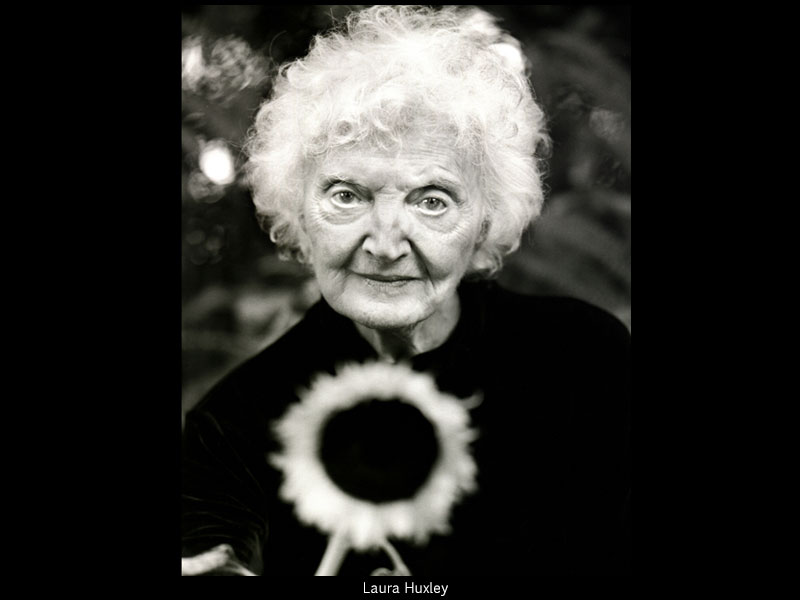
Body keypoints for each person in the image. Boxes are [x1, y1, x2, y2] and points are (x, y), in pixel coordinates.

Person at [182, 5, 630, 576]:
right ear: (296, 212)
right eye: (347, 195)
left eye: (432, 200)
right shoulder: (230, 427)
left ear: (486, 225)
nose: (387, 243)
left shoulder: (586, 358)